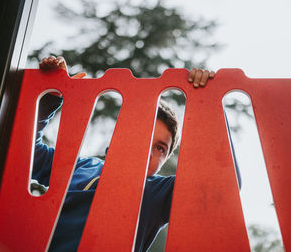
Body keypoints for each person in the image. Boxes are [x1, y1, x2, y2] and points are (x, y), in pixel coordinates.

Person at [33, 56, 217, 251]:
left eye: (160, 148)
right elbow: (30, 156)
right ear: (114, 142)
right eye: (141, 136)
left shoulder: (155, 193)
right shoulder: (82, 167)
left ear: (164, 162)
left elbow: (220, 183)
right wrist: (50, 97)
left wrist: (209, 104)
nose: (148, 151)